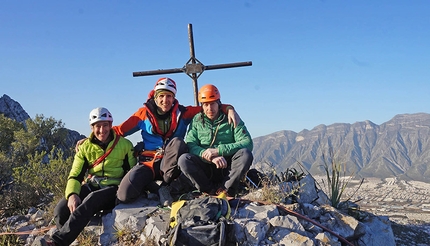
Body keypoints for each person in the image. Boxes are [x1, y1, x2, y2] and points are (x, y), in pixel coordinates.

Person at [113, 77, 241, 206]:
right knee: (124, 195)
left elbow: (208, 106)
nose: (165, 100)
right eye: (161, 96)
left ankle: (165, 187)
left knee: (178, 142)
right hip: (149, 163)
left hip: (171, 166)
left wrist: (229, 108)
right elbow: (119, 131)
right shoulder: (142, 114)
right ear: (155, 96)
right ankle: (155, 188)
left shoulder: (183, 113)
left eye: (169, 96)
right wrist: (97, 135)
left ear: (174, 97)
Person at [32, 107, 136, 246]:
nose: (102, 130)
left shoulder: (125, 145)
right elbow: (75, 174)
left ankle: (58, 243)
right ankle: (69, 237)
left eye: (105, 125)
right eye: (97, 126)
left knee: (91, 200)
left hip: (114, 189)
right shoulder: (85, 147)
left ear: (111, 125)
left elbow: (132, 171)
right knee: (60, 210)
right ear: (92, 128)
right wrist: (72, 194)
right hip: (93, 184)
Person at [178, 84, 253, 198]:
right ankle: (208, 191)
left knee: (245, 154)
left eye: (212, 103)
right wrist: (208, 155)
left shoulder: (231, 117)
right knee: (184, 159)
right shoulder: (197, 120)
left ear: (218, 103)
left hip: (227, 167)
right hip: (205, 167)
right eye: (206, 104)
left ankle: (226, 190)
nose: (209, 108)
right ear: (202, 106)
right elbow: (190, 144)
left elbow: (247, 143)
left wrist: (219, 151)